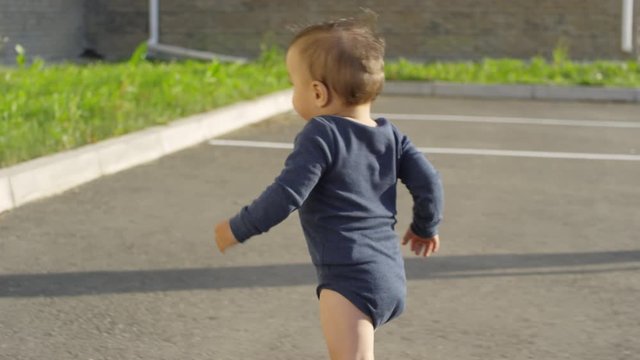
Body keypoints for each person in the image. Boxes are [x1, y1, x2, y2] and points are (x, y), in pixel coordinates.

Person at [214, 14, 444, 360]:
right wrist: (426, 226)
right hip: (389, 273)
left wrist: (238, 228)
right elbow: (429, 182)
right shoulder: (391, 135)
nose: (294, 94)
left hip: (347, 279)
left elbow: (287, 194)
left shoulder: (322, 133)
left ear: (318, 93)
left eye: (295, 84)